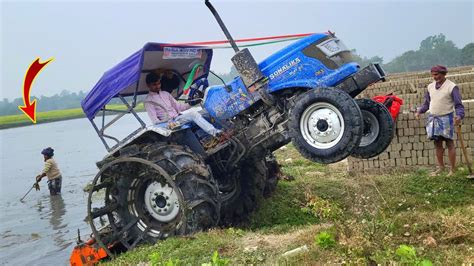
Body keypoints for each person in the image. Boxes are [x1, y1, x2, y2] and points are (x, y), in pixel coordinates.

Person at [416, 65, 465, 177]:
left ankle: (452, 170)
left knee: (449, 143)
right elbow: (427, 103)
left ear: (443, 74)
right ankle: (441, 167)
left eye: (437, 74)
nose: (435, 77)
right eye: (433, 75)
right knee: (437, 143)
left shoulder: (452, 87)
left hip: (446, 118)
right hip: (433, 118)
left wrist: (459, 116)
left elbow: (458, 105)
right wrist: (420, 111)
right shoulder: (430, 87)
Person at [143, 72, 222, 137]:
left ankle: (221, 130)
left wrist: (192, 103)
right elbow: (155, 121)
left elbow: (179, 107)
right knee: (193, 114)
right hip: (169, 124)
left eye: (158, 83)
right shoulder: (148, 101)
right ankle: (216, 133)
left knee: (206, 112)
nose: (157, 86)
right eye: (154, 85)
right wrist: (168, 123)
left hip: (179, 118)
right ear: (148, 85)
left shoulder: (165, 94)